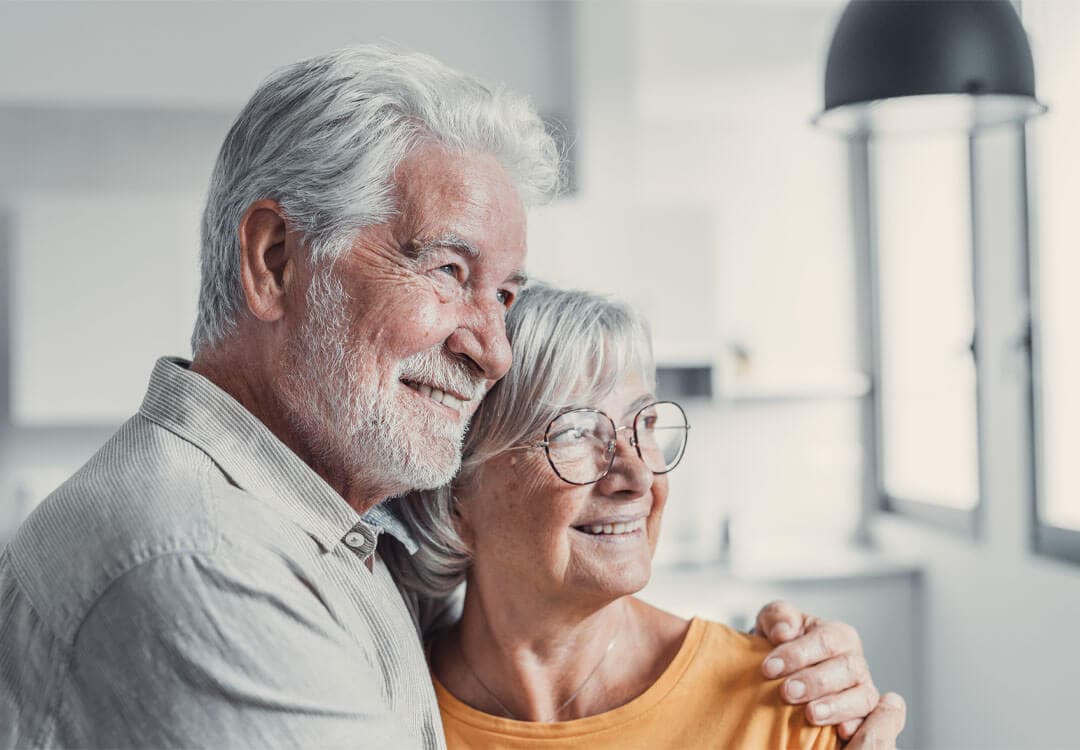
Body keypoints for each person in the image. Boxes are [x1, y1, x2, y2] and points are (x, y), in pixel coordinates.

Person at [0, 46, 902, 748]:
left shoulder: (329, 542)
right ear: (276, 261)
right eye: (445, 269)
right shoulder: (203, 564)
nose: (492, 346)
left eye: (504, 293)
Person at [392, 283, 904, 748]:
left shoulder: (786, 704)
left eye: (646, 423)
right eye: (573, 431)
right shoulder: (387, 712)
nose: (637, 476)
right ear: (455, 486)